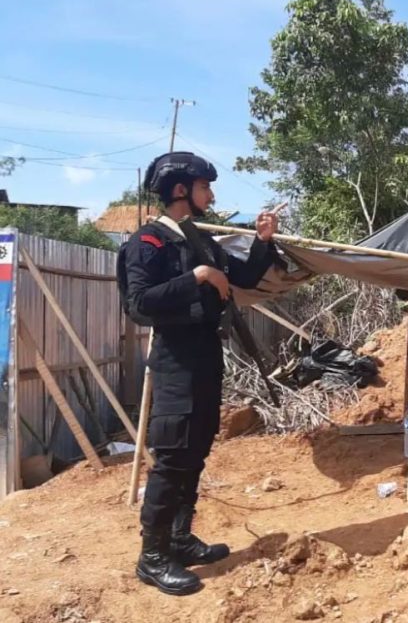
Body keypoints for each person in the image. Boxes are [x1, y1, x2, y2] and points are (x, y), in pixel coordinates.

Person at [118, 151, 279, 595]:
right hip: (175, 363)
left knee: (196, 452)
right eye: (206, 186)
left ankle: (179, 539)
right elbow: (140, 303)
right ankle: (151, 558)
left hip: (207, 358)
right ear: (181, 190)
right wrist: (199, 276)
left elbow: (243, 276)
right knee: (171, 460)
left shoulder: (200, 240)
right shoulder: (149, 242)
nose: (212, 194)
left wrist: (263, 240)